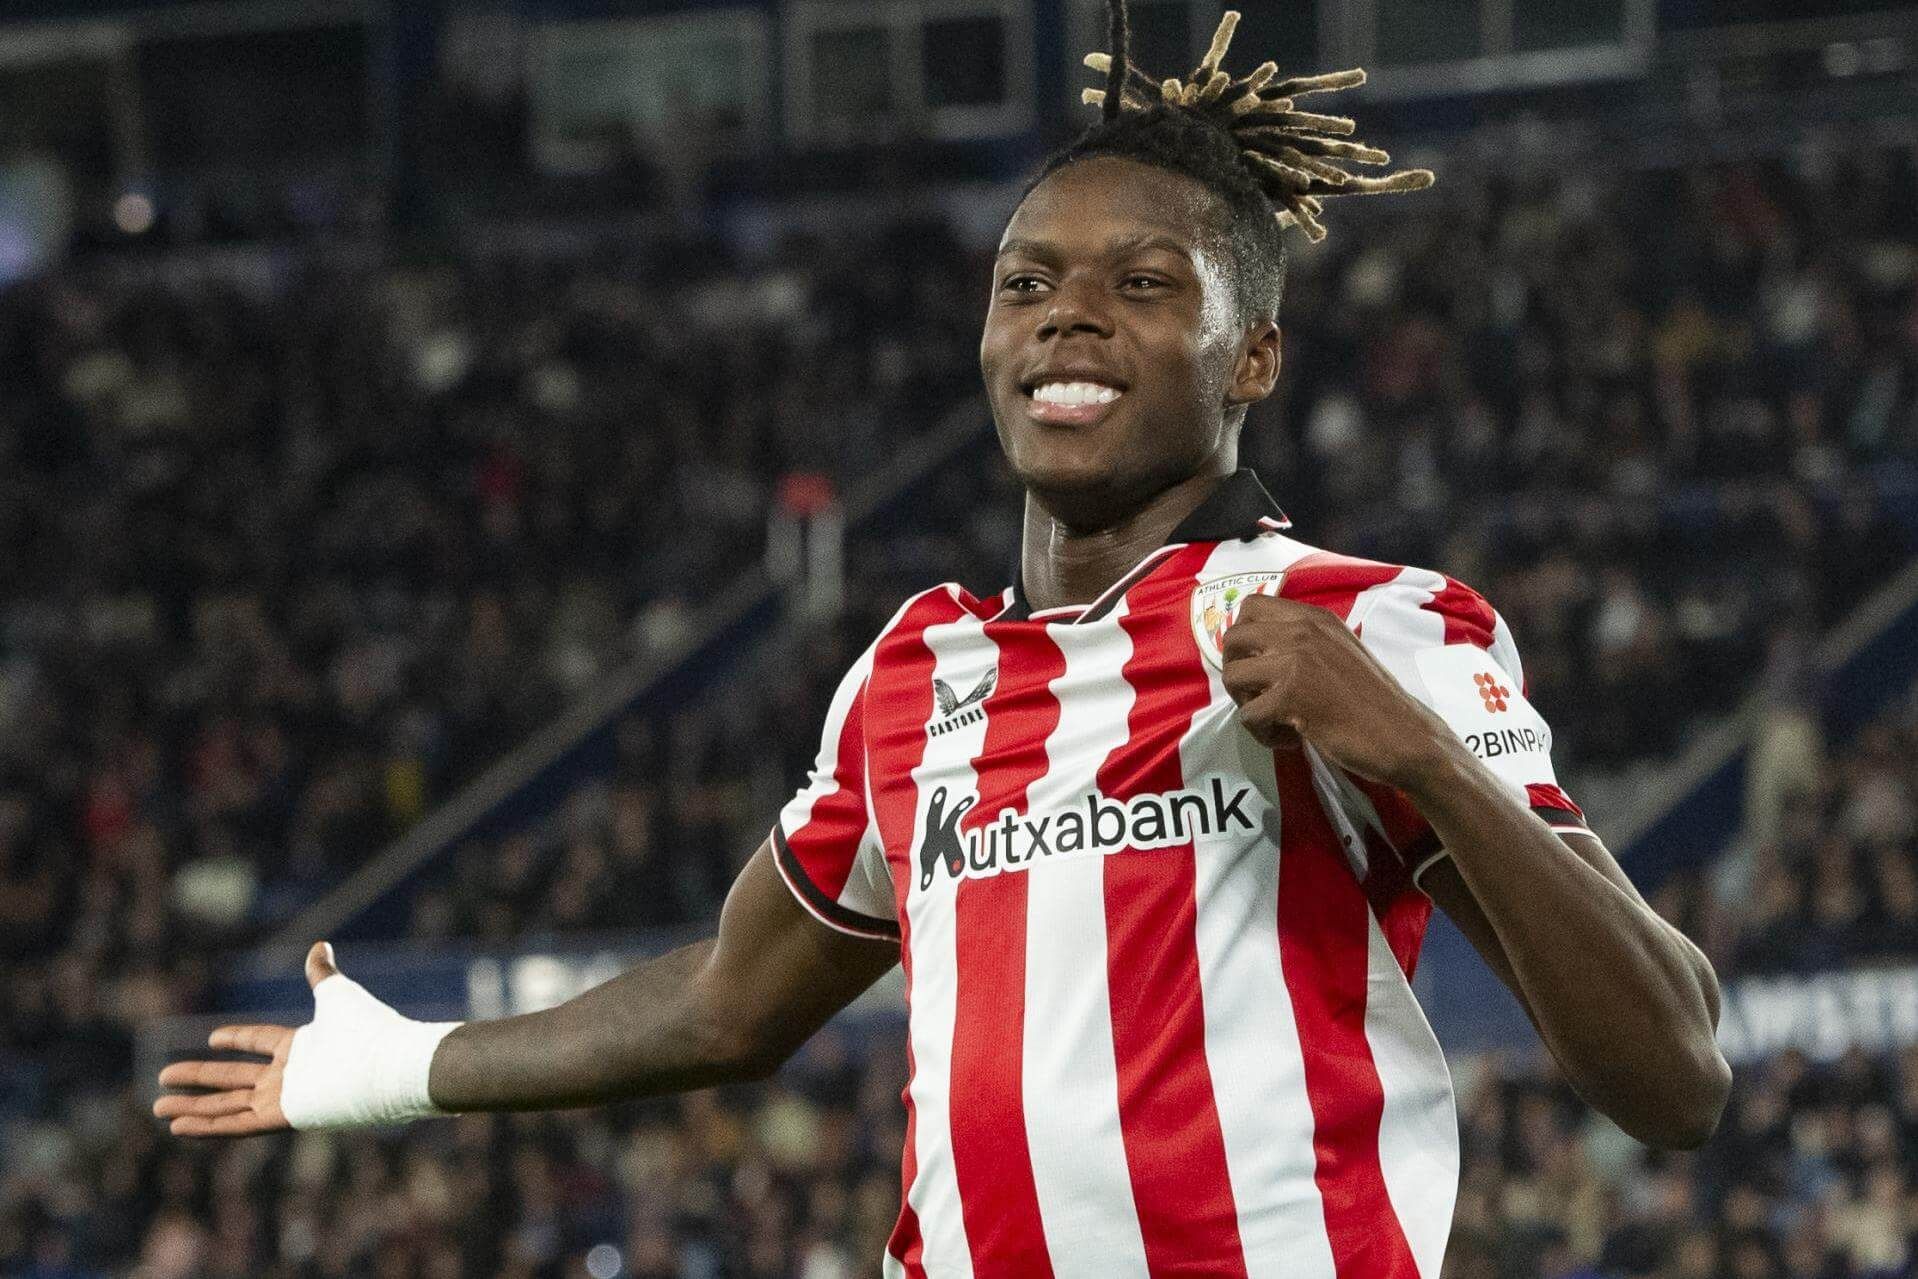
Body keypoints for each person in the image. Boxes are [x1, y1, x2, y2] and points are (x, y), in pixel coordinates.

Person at [153, 7, 1730, 1275]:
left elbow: (1672, 1075)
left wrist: (1422, 759)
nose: (1065, 315)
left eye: (1140, 283)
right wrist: (391, 1065)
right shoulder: (913, 673)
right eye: (1026, 282)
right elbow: (726, 1002)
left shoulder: (1364, 622)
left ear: (1251, 354)